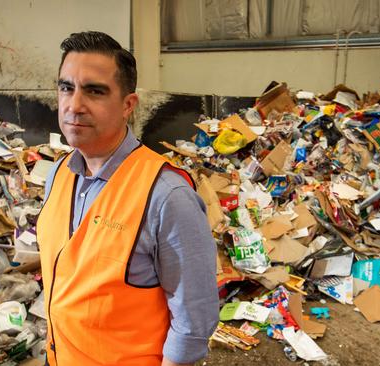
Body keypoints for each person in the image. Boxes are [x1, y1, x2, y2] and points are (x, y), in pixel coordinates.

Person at [38, 31, 219, 366]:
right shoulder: (58, 174)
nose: (74, 105)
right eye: (66, 87)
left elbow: (194, 321)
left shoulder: (167, 196)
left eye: (94, 91)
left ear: (127, 105)